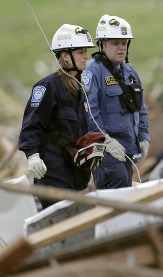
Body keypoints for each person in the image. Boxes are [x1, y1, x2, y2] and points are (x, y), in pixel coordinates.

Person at [18, 24, 97, 209]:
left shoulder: (81, 89)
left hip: (76, 174)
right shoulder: (47, 87)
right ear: (65, 56)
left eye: (86, 51)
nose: (86, 56)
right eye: (80, 52)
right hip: (54, 174)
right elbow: (31, 124)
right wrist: (32, 156)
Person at [83, 14, 150, 189]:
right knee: (118, 182)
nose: (121, 48)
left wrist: (144, 137)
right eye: (115, 43)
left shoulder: (129, 71)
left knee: (125, 187)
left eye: (124, 43)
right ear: (102, 45)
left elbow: (140, 108)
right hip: (106, 149)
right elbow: (89, 112)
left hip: (128, 147)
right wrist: (105, 141)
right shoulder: (92, 71)